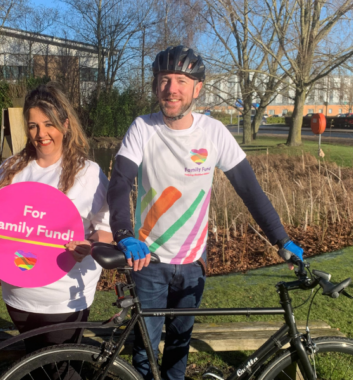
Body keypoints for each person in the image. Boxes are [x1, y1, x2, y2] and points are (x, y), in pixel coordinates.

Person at [107, 45, 304, 380]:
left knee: (178, 350)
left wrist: (281, 238)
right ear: (156, 86)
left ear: (197, 88)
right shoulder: (143, 128)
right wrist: (124, 235)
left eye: (181, 81)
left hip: (193, 264)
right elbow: (119, 184)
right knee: (145, 351)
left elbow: (251, 192)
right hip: (148, 260)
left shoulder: (213, 133)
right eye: (165, 80)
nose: (172, 88)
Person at [0, 82, 113, 354]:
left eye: (49, 124)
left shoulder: (90, 174)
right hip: (18, 295)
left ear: (66, 124)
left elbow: (108, 230)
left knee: (63, 370)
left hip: (65, 298)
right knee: (36, 366)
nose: (41, 134)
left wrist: (89, 244)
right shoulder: (10, 169)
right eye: (33, 125)